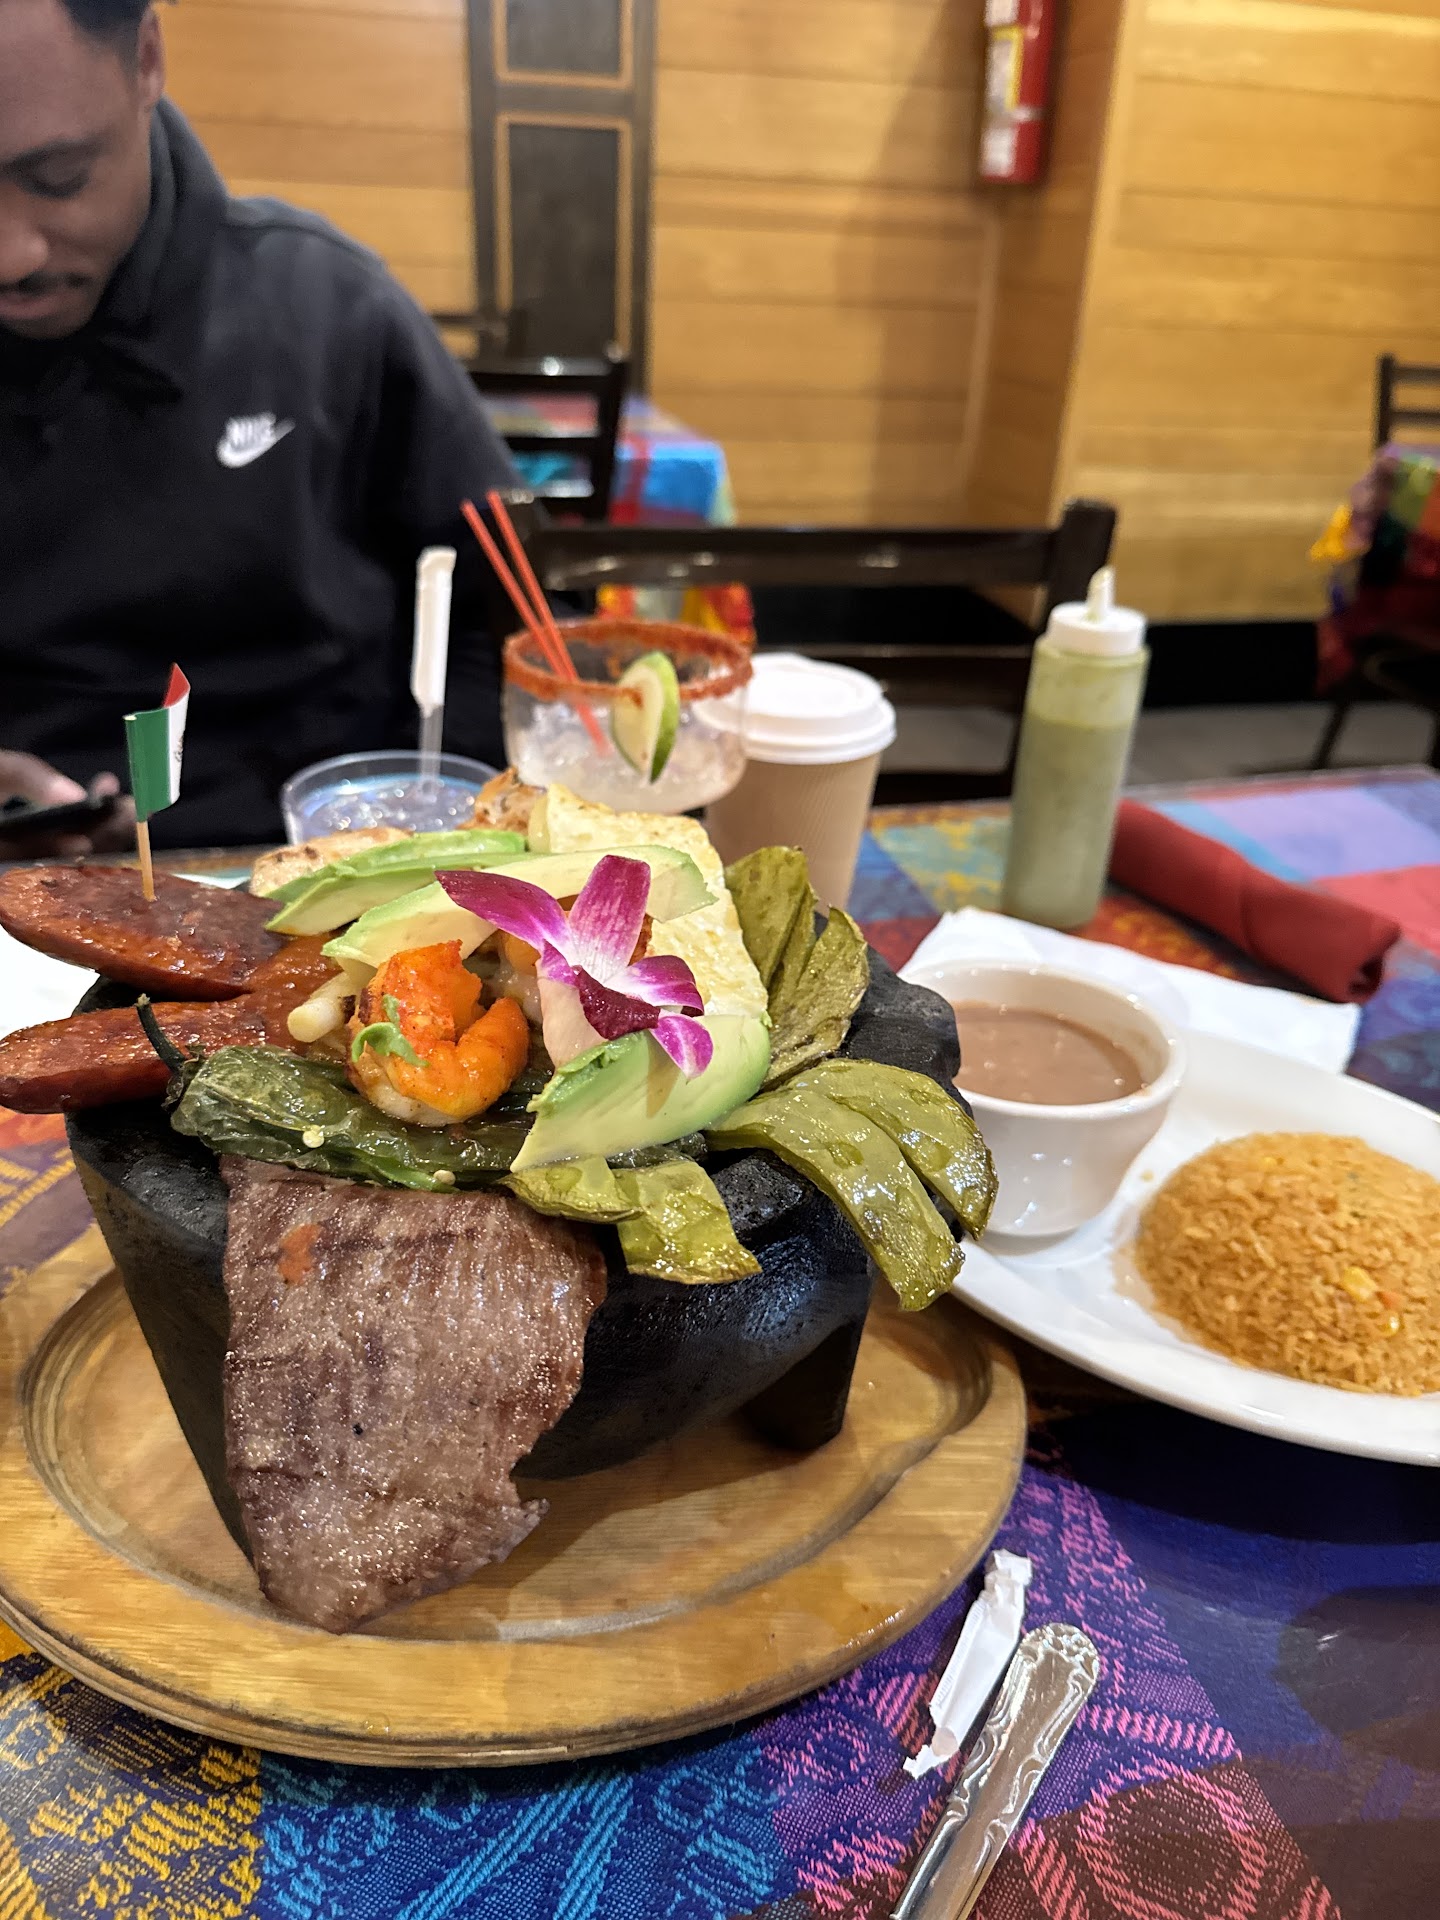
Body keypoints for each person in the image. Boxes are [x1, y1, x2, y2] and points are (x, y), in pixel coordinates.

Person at [0, 0, 518, 854]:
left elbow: (506, 614)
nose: (13, 254)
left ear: (146, 61)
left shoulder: (330, 308)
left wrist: (413, 832)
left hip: (323, 854)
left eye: (60, 177)